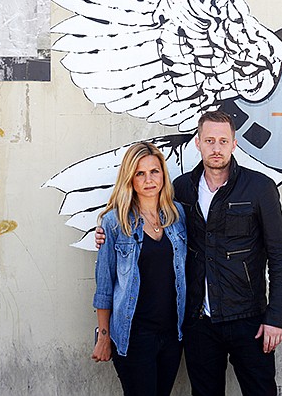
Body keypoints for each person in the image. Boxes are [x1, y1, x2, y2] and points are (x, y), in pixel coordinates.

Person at [96, 111, 282, 396]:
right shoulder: (182, 191)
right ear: (198, 143)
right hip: (199, 325)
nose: (216, 148)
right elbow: (139, 223)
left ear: (234, 144)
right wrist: (104, 232)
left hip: (248, 320)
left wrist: (275, 317)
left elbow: (280, 257)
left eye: (223, 141)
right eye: (210, 140)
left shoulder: (259, 188)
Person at [92, 141, 187, 396]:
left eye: (154, 171)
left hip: (171, 335)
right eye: (140, 173)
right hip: (134, 334)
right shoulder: (114, 222)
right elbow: (104, 285)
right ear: (130, 179)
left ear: (163, 175)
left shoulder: (177, 216)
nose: (149, 180)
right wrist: (103, 336)